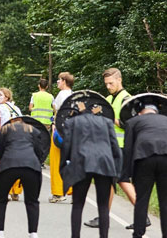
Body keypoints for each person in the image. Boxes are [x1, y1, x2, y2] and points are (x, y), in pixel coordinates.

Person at [86, 68, 140, 229]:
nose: (108, 86)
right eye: (106, 84)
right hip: (109, 146)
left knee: (122, 180)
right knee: (109, 181)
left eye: (111, 83)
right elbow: (98, 112)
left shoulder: (127, 99)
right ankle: (104, 216)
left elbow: (131, 124)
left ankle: (141, 215)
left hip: (121, 147)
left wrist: (113, 119)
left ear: (119, 80)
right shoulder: (109, 98)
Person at [61, 102, 122, 238]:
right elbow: (115, 148)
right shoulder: (107, 122)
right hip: (104, 164)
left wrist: (64, 167)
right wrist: (116, 170)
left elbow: (66, 146)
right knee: (103, 206)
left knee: (77, 204)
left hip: (81, 163)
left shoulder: (73, 122)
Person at [123, 101, 167, 238]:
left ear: (140, 112)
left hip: (144, 159)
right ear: (156, 112)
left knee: (142, 200)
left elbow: (128, 149)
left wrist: (126, 173)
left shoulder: (133, 121)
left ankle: (138, 234)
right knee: (166, 203)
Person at [0, 117, 48, 238]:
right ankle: (33, 233)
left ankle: (0, 232)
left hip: (8, 164)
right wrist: (36, 162)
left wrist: (3, 161)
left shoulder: (4, 130)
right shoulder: (33, 130)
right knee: (32, 201)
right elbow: (40, 150)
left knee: (0, 200)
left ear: (12, 121)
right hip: (30, 165)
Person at [49, 72, 74, 203]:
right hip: (71, 130)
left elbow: (58, 112)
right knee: (70, 160)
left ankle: (58, 192)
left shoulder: (62, 95)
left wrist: (54, 125)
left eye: (59, 80)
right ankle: (72, 189)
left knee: (57, 160)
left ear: (64, 81)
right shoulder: (72, 95)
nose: (57, 82)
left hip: (60, 130)